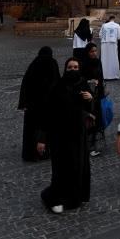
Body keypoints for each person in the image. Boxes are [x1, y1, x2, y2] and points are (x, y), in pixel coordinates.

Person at [37, 57, 93, 214]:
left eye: (76, 67)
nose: (73, 70)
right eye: (70, 67)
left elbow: (90, 108)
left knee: (77, 166)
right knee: (61, 168)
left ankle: (74, 198)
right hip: (60, 135)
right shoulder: (57, 88)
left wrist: (90, 99)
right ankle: (55, 199)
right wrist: (42, 139)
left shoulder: (83, 84)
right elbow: (45, 114)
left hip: (78, 135)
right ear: (65, 69)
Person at [18, 46, 60, 162]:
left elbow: (57, 81)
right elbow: (25, 84)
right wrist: (24, 103)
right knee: (33, 127)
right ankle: (32, 152)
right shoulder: (34, 65)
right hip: (34, 103)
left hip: (48, 101)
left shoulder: (53, 64)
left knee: (48, 126)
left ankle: (46, 150)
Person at [81, 43, 107, 156]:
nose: (94, 53)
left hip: (97, 96)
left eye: (95, 51)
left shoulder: (98, 62)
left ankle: (97, 145)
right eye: (92, 51)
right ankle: (88, 146)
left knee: (97, 120)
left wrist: (100, 88)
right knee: (89, 121)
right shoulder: (83, 64)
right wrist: (91, 83)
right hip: (87, 98)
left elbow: (101, 77)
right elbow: (81, 80)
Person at [99, 16, 120, 80]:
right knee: (113, 58)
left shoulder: (104, 25)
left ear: (109, 19)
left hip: (104, 43)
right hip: (113, 42)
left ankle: (104, 74)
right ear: (114, 19)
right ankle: (114, 74)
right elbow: (119, 37)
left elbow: (100, 35)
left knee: (104, 58)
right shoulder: (117, 25)